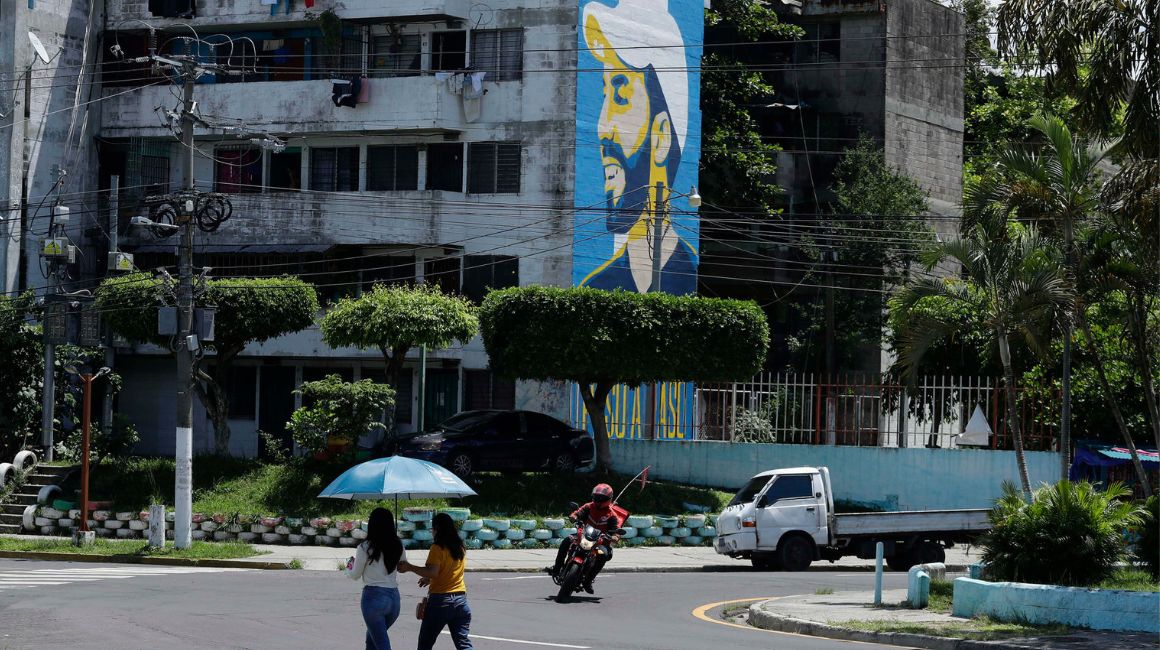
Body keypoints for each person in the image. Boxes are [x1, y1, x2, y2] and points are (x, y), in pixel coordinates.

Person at [399, 513, 473, 650]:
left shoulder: (437, 548)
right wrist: (430, 578)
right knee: (463, 644)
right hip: (461, 600)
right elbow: (449, 571)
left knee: (425, 644)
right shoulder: (460, 547)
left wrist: (409, 567)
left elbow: (432, 571)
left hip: (441, 601)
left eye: (432, 529)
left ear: (437, 529)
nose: (431, 532)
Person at [346, 507, 406, 650]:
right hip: (394, 600)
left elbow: (355, 575)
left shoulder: (365, 547)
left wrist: (348, 567)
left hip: (373, 599)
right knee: (372, 640)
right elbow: (402, 567)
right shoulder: (398, 545)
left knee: (381, 644)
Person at [550, 483, 623, 593]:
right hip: (583, 536)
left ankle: (588, 581)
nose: (598, 500)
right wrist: (574, 517)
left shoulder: (612, 515)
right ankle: (557, 568)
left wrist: (614, 537)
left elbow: (616, 531)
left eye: (601, 498)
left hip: (599, 542)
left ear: (608, 499)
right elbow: (576, 513)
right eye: (596, 497)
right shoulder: (589, 506)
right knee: (566, 541)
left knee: (603, 555)